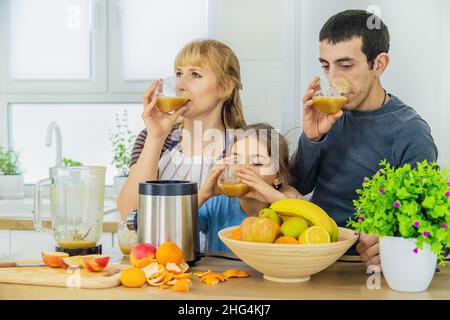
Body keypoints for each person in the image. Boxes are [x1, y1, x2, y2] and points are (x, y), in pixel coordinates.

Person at [290, 10, 438, 267]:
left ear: (378, 64)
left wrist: (394, 242)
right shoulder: (329, 114)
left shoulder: (409, 131)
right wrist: (312, 137)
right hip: (315, 256)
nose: (333, 79)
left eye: (345, 66)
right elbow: (299, 185)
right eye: (326, 66)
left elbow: (427, 225)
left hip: (365, 268)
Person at [117, 39, 247, 220]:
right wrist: (156, 137)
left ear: (225, 88)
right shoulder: (153, 137)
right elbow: (129, 212)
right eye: (179, 73)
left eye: (195, 75)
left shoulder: (246, 145)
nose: (180, 85)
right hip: (160, 249)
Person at [197, 123, 303, 253]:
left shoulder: (288, 209)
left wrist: (278, 200)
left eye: (257, 163)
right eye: (236, 160)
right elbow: (173, 229)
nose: (242, 169)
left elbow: (314, 238)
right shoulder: (216, 204)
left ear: (278, 176)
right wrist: (202, 195)